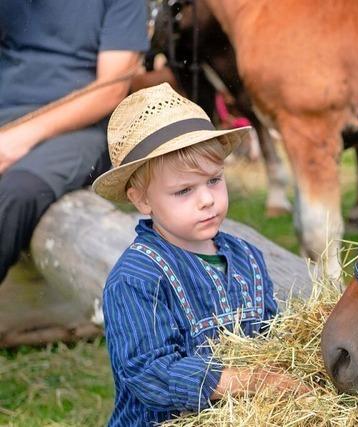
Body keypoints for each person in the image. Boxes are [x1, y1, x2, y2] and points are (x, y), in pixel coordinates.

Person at [93, 83, 305, 426]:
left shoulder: (247, 258)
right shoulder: (136, 279)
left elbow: (270, 339)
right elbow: (149, 373)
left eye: (214, 180)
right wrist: (248, 381)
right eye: (184, 190)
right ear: (142, 201)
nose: (206, 199)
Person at [0, 0, 149, 283]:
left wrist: (19, 137)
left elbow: (112, 89)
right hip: (7, 113)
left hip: (81, 127)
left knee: (16, 191)